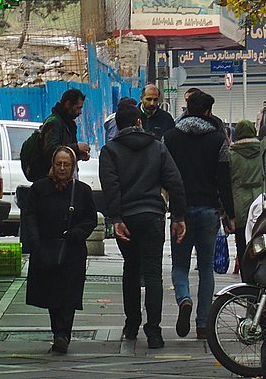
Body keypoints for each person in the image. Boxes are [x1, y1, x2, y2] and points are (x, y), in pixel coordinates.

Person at [99, 97, 187, 348]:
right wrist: (178, 216)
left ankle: (131, 324)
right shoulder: (157, 147)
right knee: (153, 273)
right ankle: (154, 332)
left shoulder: (110, 151)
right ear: (139, 121)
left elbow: (110, 187)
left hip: (126, 218)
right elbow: (175, 182)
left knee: (130, 269)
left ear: (118, 124)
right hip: (152, 216)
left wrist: (115, 218)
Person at [163, 87, 229, 339]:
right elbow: (224, 180)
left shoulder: (169, 138)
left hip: (180, 212)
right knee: (206, 269)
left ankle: (184, 299)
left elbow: (164, 172)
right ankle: (203, 324)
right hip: (209, 209)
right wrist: (230, 214)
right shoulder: (218, 140)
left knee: (179, 264)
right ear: (208, 112)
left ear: (188, 110)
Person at [19, 145, 98, 354]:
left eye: (67, 164)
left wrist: (78, 233)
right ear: (52, 165)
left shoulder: (82, 191)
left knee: (69, 294)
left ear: (73, 167)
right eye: (58, 164)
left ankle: (63, 334)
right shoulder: (39, 188)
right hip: (47, 248)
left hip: (72, 250)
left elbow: (90, 219)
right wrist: (35, 242)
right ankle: (58, 332)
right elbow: (30, 215)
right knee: (51, 293)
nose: (62, 168)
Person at [226, 120, 263, 273]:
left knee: (242, 245)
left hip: (239, 207)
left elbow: (225, 182)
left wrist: (226, 214)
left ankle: (247, 282)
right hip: (263, 205)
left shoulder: (231, 155)